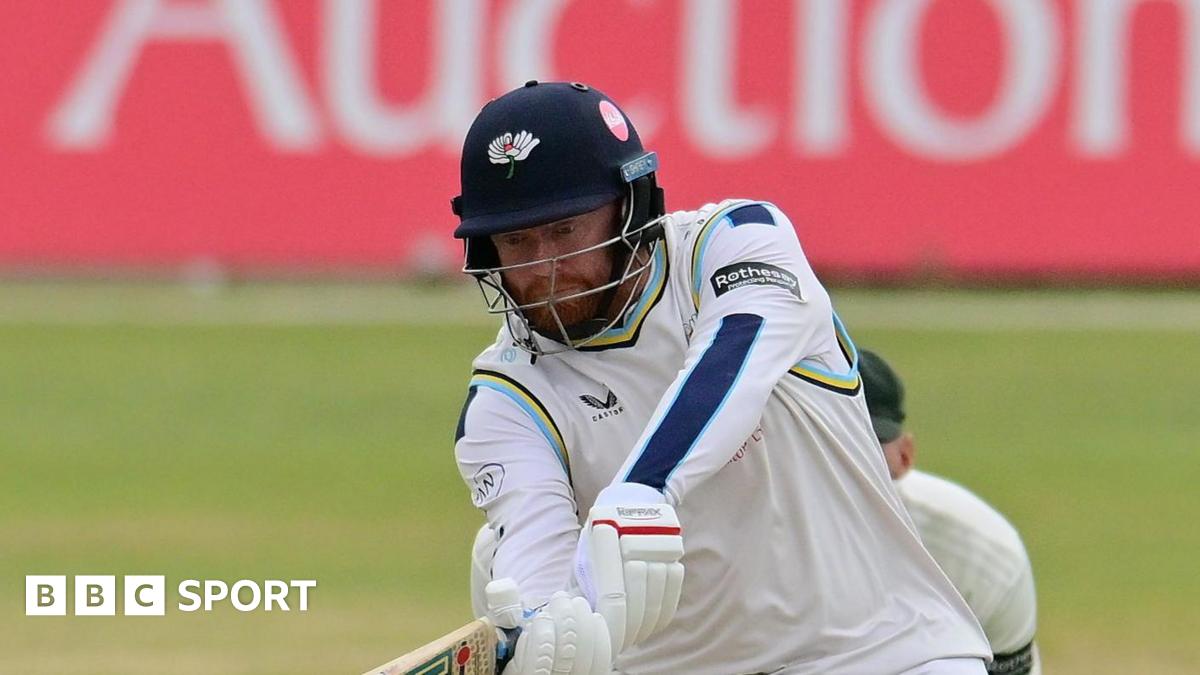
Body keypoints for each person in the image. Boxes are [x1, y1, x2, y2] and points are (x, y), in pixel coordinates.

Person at [451, 80, 990, 675]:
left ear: (630, 206)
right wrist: (544, 630)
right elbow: (538, 559)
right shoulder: (505, 400)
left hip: (883, 652)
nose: (545, 270)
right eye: (517, 241)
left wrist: (643, 490)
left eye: (565, 232)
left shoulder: (736, 244)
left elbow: (733, 357)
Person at [859, 349, 1040, 675]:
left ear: (904, 456)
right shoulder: (742, 538)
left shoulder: (985, 559)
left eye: (862, 442)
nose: (840, 461)